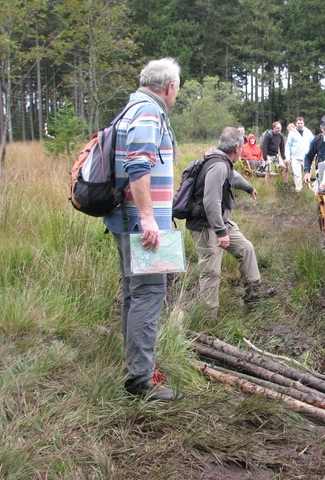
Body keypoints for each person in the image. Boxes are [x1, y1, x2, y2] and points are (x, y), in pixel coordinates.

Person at [102, 58, 182, 402]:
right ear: (169, 88)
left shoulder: (132, 108)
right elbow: (138, 164)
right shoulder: (149, 113)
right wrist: (149, 219)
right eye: (177, 89)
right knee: (150, 293)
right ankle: (142, 379)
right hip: (142, 223)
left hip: (127, 219)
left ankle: (136, 364)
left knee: (135, 294)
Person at [186, 127, 274, 320]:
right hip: (206, 226)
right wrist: (220, 232)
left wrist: (249, 187)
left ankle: (253, 297)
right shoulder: (217, 165)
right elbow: (211, 202)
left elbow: (233, 178)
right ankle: (209, 319)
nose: (242, 151)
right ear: (236, 147)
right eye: (241, 148)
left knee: (246, 249)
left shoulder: (223, 162)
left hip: (219, 224)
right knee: (211, 271)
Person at [285, 117, 314, 193]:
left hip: (307, 157)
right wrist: (287, 157)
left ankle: (306, 189)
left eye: (301, 123)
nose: (300, 125)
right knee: (297, 175)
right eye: (298, 123)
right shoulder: (292, 133)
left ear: (303, 123)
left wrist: (314, 154)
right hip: (295, 157)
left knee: (307, 174)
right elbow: (288, 145)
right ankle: (299, 191)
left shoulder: (308, 132)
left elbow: (313, 143)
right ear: (296, 124)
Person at [262, 121, 287, 187]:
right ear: (274, 128)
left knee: (285, 168)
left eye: (280, 128)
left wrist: (284, 158)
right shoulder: (269, 135)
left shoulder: (280, 136)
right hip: (268, 155)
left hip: (275, 155)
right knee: (268, 171)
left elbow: (282, 148)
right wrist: (265, 159)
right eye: (278, 128)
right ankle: (267, 186)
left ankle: (285, 184)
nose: (279, 129)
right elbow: (264, 147)